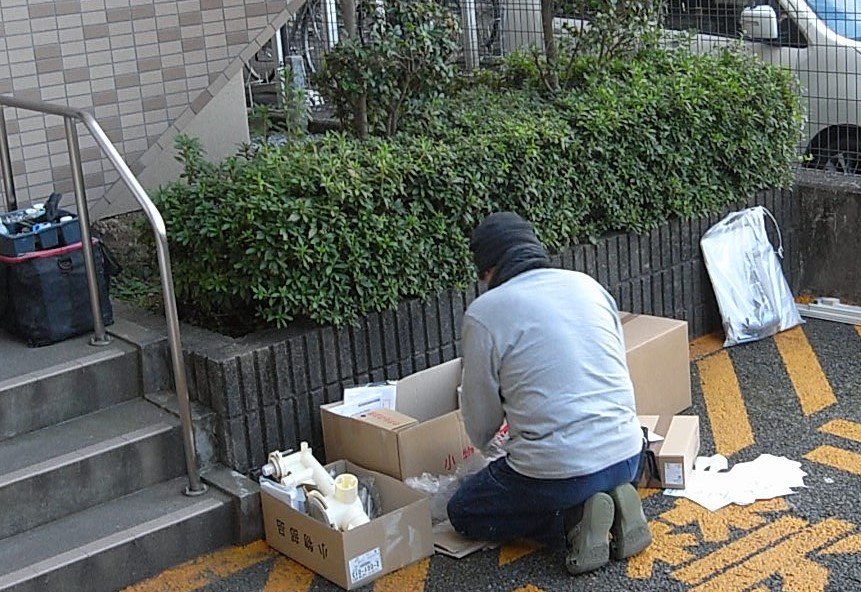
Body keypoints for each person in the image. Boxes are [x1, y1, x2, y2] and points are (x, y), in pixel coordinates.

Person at [447, 211, 652, 575]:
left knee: (464, 510)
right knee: (577, 475)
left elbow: (481, 417)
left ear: (488, 270)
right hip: (628, 456)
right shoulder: (588, 285)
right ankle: (614, 504)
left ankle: (571, 521)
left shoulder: (485, 313)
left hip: (560, 473)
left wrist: (490, 449)